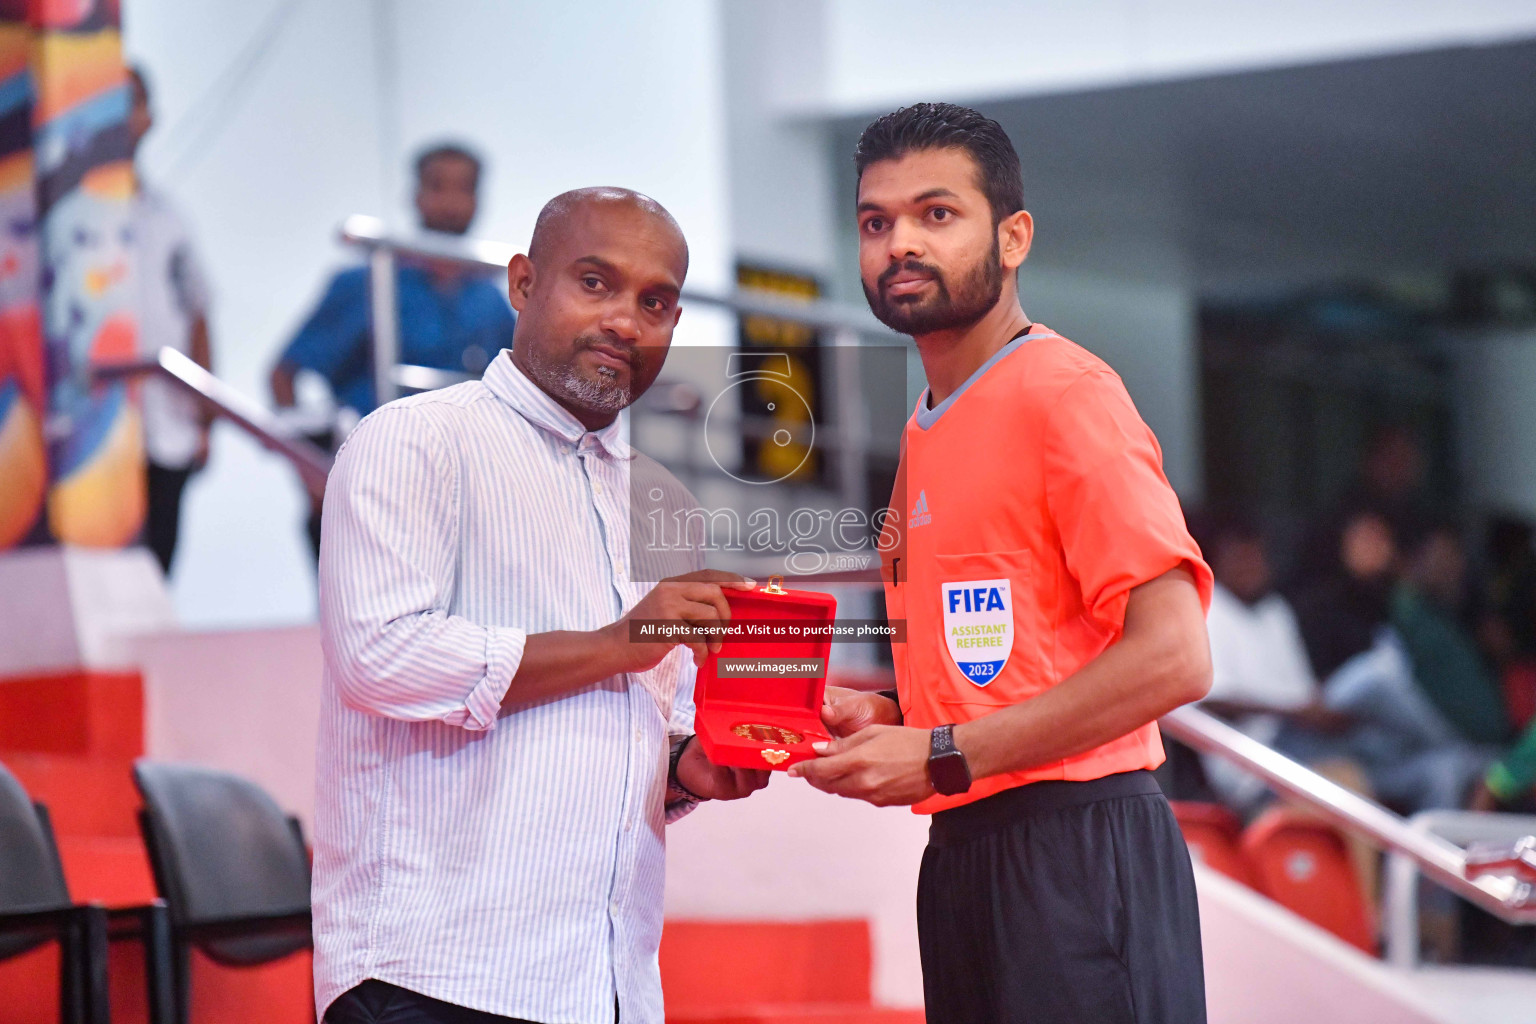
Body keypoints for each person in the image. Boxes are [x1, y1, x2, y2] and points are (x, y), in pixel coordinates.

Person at [790, 103, 1214, 1024]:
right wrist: (899, 715)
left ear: (1013, 236)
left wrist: (942, 752)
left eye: (936, 215)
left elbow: (1177, 655)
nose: (900, 242)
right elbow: (1019, 657)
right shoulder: (923, 428)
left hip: (1076, 846)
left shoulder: (1068, 395)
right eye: (876, 221)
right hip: (965, 846)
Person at [312, 187, 769, 1024]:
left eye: (656, 301)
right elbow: (380, 659)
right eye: (594, 283)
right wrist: (621, 642)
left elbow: (641, 718)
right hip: (433, 977)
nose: (627, 321)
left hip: (608, 984)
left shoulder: (663, 502)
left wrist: (687, 767)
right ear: (523, 284)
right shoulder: (414, 441)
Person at [271, 142, 518, 557]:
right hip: (369, 489)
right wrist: (311, 477)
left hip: (460, 500)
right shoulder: (368, 282)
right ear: (416, 195)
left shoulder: (492, 299)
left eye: (464, 189)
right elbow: (283, 375)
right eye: (439, 187)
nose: (452, 202)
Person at [128, 67, 215, 574]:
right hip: (80, 429)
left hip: (165, 422)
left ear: (148, 117)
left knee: (156, 568)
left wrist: (204, 418)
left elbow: (198, 312)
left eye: (129, 100)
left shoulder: (167, 217)